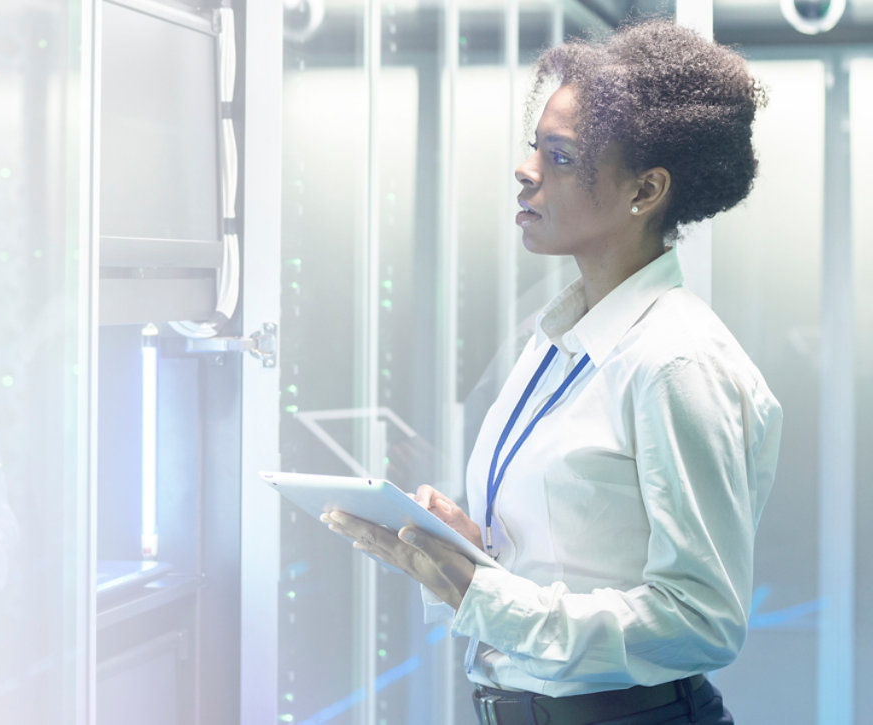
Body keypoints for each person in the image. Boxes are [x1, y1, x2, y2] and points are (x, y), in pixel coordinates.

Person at [323, 19, 782, 725]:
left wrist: (483, 594)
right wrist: (464, 554)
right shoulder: (561, 339)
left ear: (645, 190)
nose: (526, 169)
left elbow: (701, 620)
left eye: (561, 156)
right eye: (534, 146)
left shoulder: (676, 360)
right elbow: (575, 563)